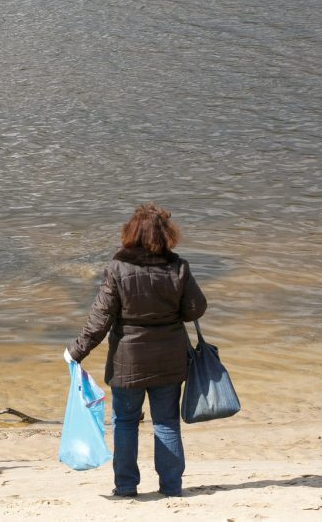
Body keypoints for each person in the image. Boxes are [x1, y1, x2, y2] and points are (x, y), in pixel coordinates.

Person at [66, 203, 206, 498]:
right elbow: (196, 309)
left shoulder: (118, 268)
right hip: (169, 358)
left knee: (125, 423)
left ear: (130, 233)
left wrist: (77, 351)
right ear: (166, 235)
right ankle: (171, 488)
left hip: (127, 361)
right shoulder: (178, 267)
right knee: (166, 422)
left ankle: (126, 486)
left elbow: (100, 318)